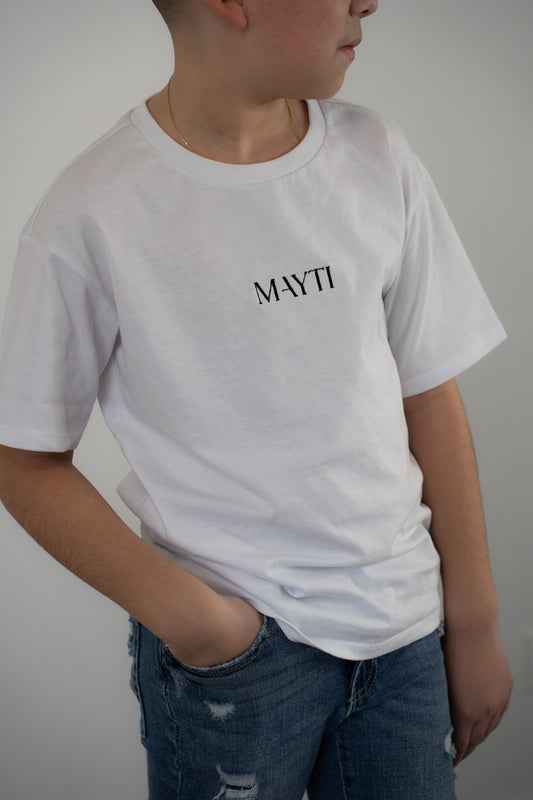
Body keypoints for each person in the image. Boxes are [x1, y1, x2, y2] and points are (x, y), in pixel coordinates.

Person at [0, 1, 513, 798]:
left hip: (405, 633)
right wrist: (200, 623)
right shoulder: (93, 209)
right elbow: (23, 458)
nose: (368, 2)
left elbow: (427, 390)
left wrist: (473, 620)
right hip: (237, 663)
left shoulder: (375, 154)